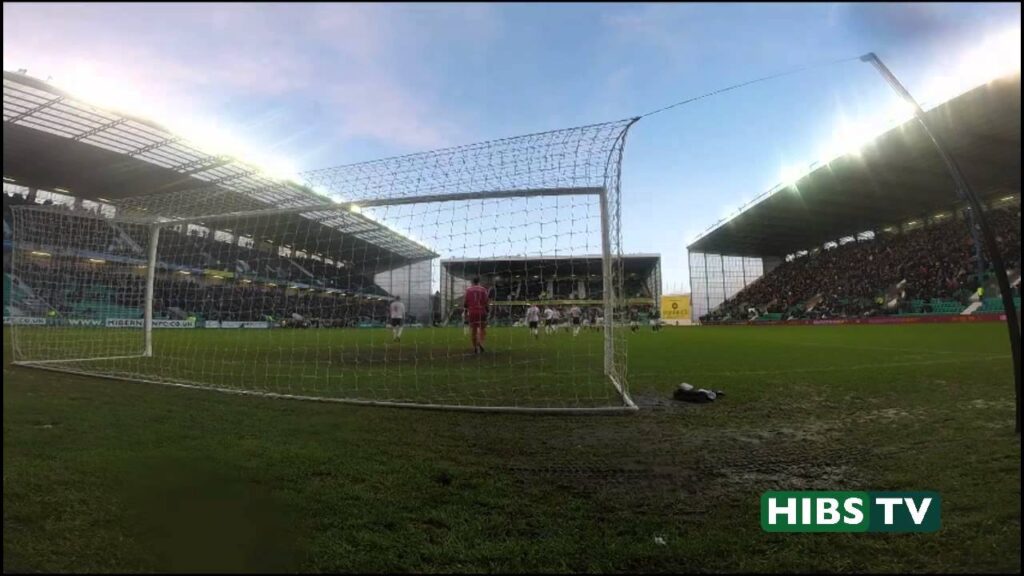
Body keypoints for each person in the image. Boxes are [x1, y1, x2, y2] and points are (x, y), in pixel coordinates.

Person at [464, 277, 490, 354]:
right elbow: (486, 302)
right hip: (482, 311)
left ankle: (475, 347)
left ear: (472, 282)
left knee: (474, 331)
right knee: (482, 329)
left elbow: (465, 303)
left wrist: (466, 311)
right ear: (479, 282)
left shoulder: (468, 290)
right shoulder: (483, 290)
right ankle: (480, 343)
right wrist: (487, 310)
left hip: (472, 312)